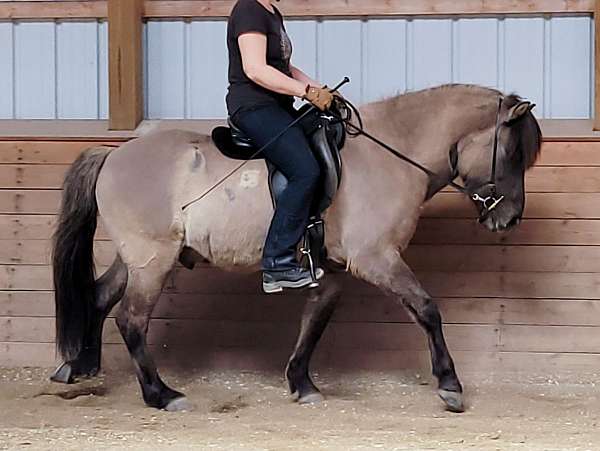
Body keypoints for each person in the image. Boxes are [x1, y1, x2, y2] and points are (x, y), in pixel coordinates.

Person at [226, 0, 334, 293]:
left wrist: (321, 89)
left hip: (278, 105)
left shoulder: (272, 12)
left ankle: (313, 242)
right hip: (253, 107)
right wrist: (306, 92)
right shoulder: (248, 9)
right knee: (305, 170)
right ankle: (277, 263)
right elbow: (256, 69)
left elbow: (283, 67)